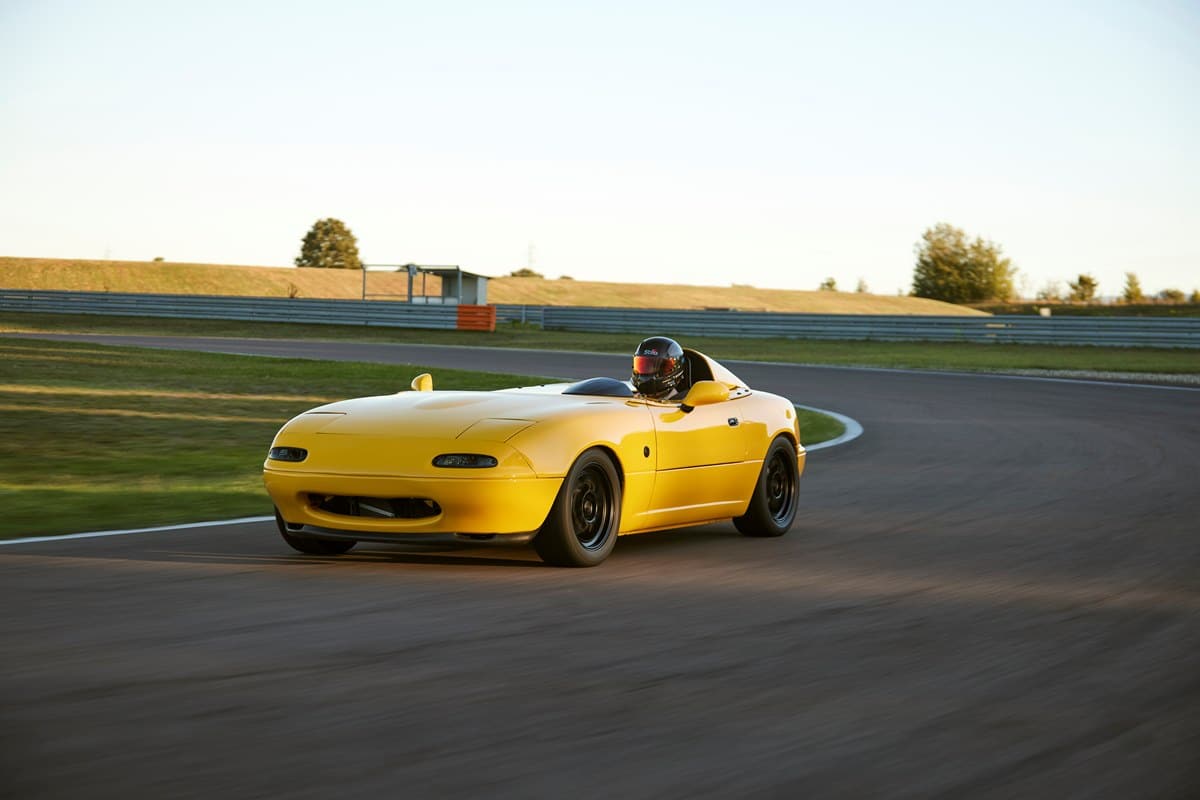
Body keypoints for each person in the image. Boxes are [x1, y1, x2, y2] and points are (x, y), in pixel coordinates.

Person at [631, 336, 688, 401]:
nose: (647, 369)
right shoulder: (633, 398)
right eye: (643, 365)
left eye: (652, 366)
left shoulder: (684, 404)